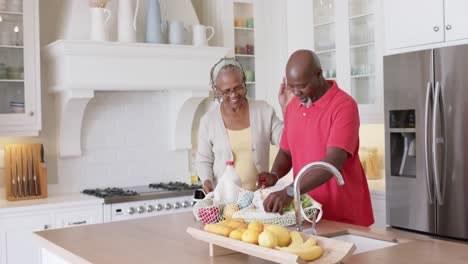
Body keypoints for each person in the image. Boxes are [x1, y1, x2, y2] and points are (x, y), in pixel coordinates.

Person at [257, 50, 374, 226]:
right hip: (308, 214)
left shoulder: (344, 106)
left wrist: (290, 192)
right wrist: (275, 175)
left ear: (319, 74)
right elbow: (287, 152)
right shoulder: (293, 107)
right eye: (292, 87)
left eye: (302, 86)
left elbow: (332, 163)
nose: (296, 92)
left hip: (344, 215)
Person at [196, 57, 293, 193]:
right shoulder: (208, 121)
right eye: (227, 91)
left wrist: (286, 108)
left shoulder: (263, 110)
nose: (234, 94)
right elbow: (204, 160)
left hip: (259, 198)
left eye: (238, 87)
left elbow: (287, 141)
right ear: (217, 91)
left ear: (244, 83)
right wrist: (207, 180)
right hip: (226, 200)